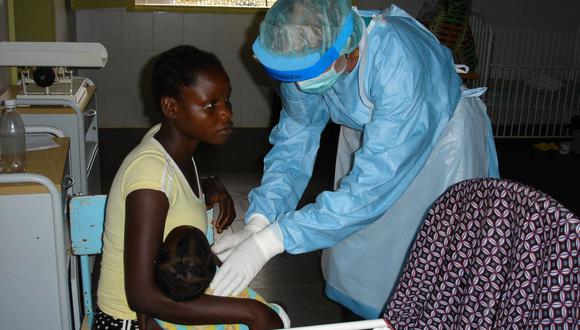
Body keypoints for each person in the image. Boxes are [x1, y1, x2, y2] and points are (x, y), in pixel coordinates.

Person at [210, 0, 500, 320]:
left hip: (438, 147)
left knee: (430, 256)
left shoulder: (398, 61)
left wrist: (272, 241)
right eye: (295, 76)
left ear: (348, 50)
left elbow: (372, 188)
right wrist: (260, 221)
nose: (301, 86)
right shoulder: (300, 55)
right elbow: (294, 143)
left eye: (312, 74)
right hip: (367, 135)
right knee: (361, 253)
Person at [94, 45, 283, 330]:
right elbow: (141, 296)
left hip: (162, 307)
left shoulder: (168, 146)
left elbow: (171, 187)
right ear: (171, 107)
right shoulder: (150, 176)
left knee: (271, 314)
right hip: (132, 321)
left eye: (227, 100)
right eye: (211, 105)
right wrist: (251, 312)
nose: (226, 114)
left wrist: (206, 183)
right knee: (263, 316)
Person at [137, 225, 290, 330]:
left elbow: (145, 322)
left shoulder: (155, 304)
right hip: (269, 320)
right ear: (211, 266)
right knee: (281, 308)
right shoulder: (217, 277)